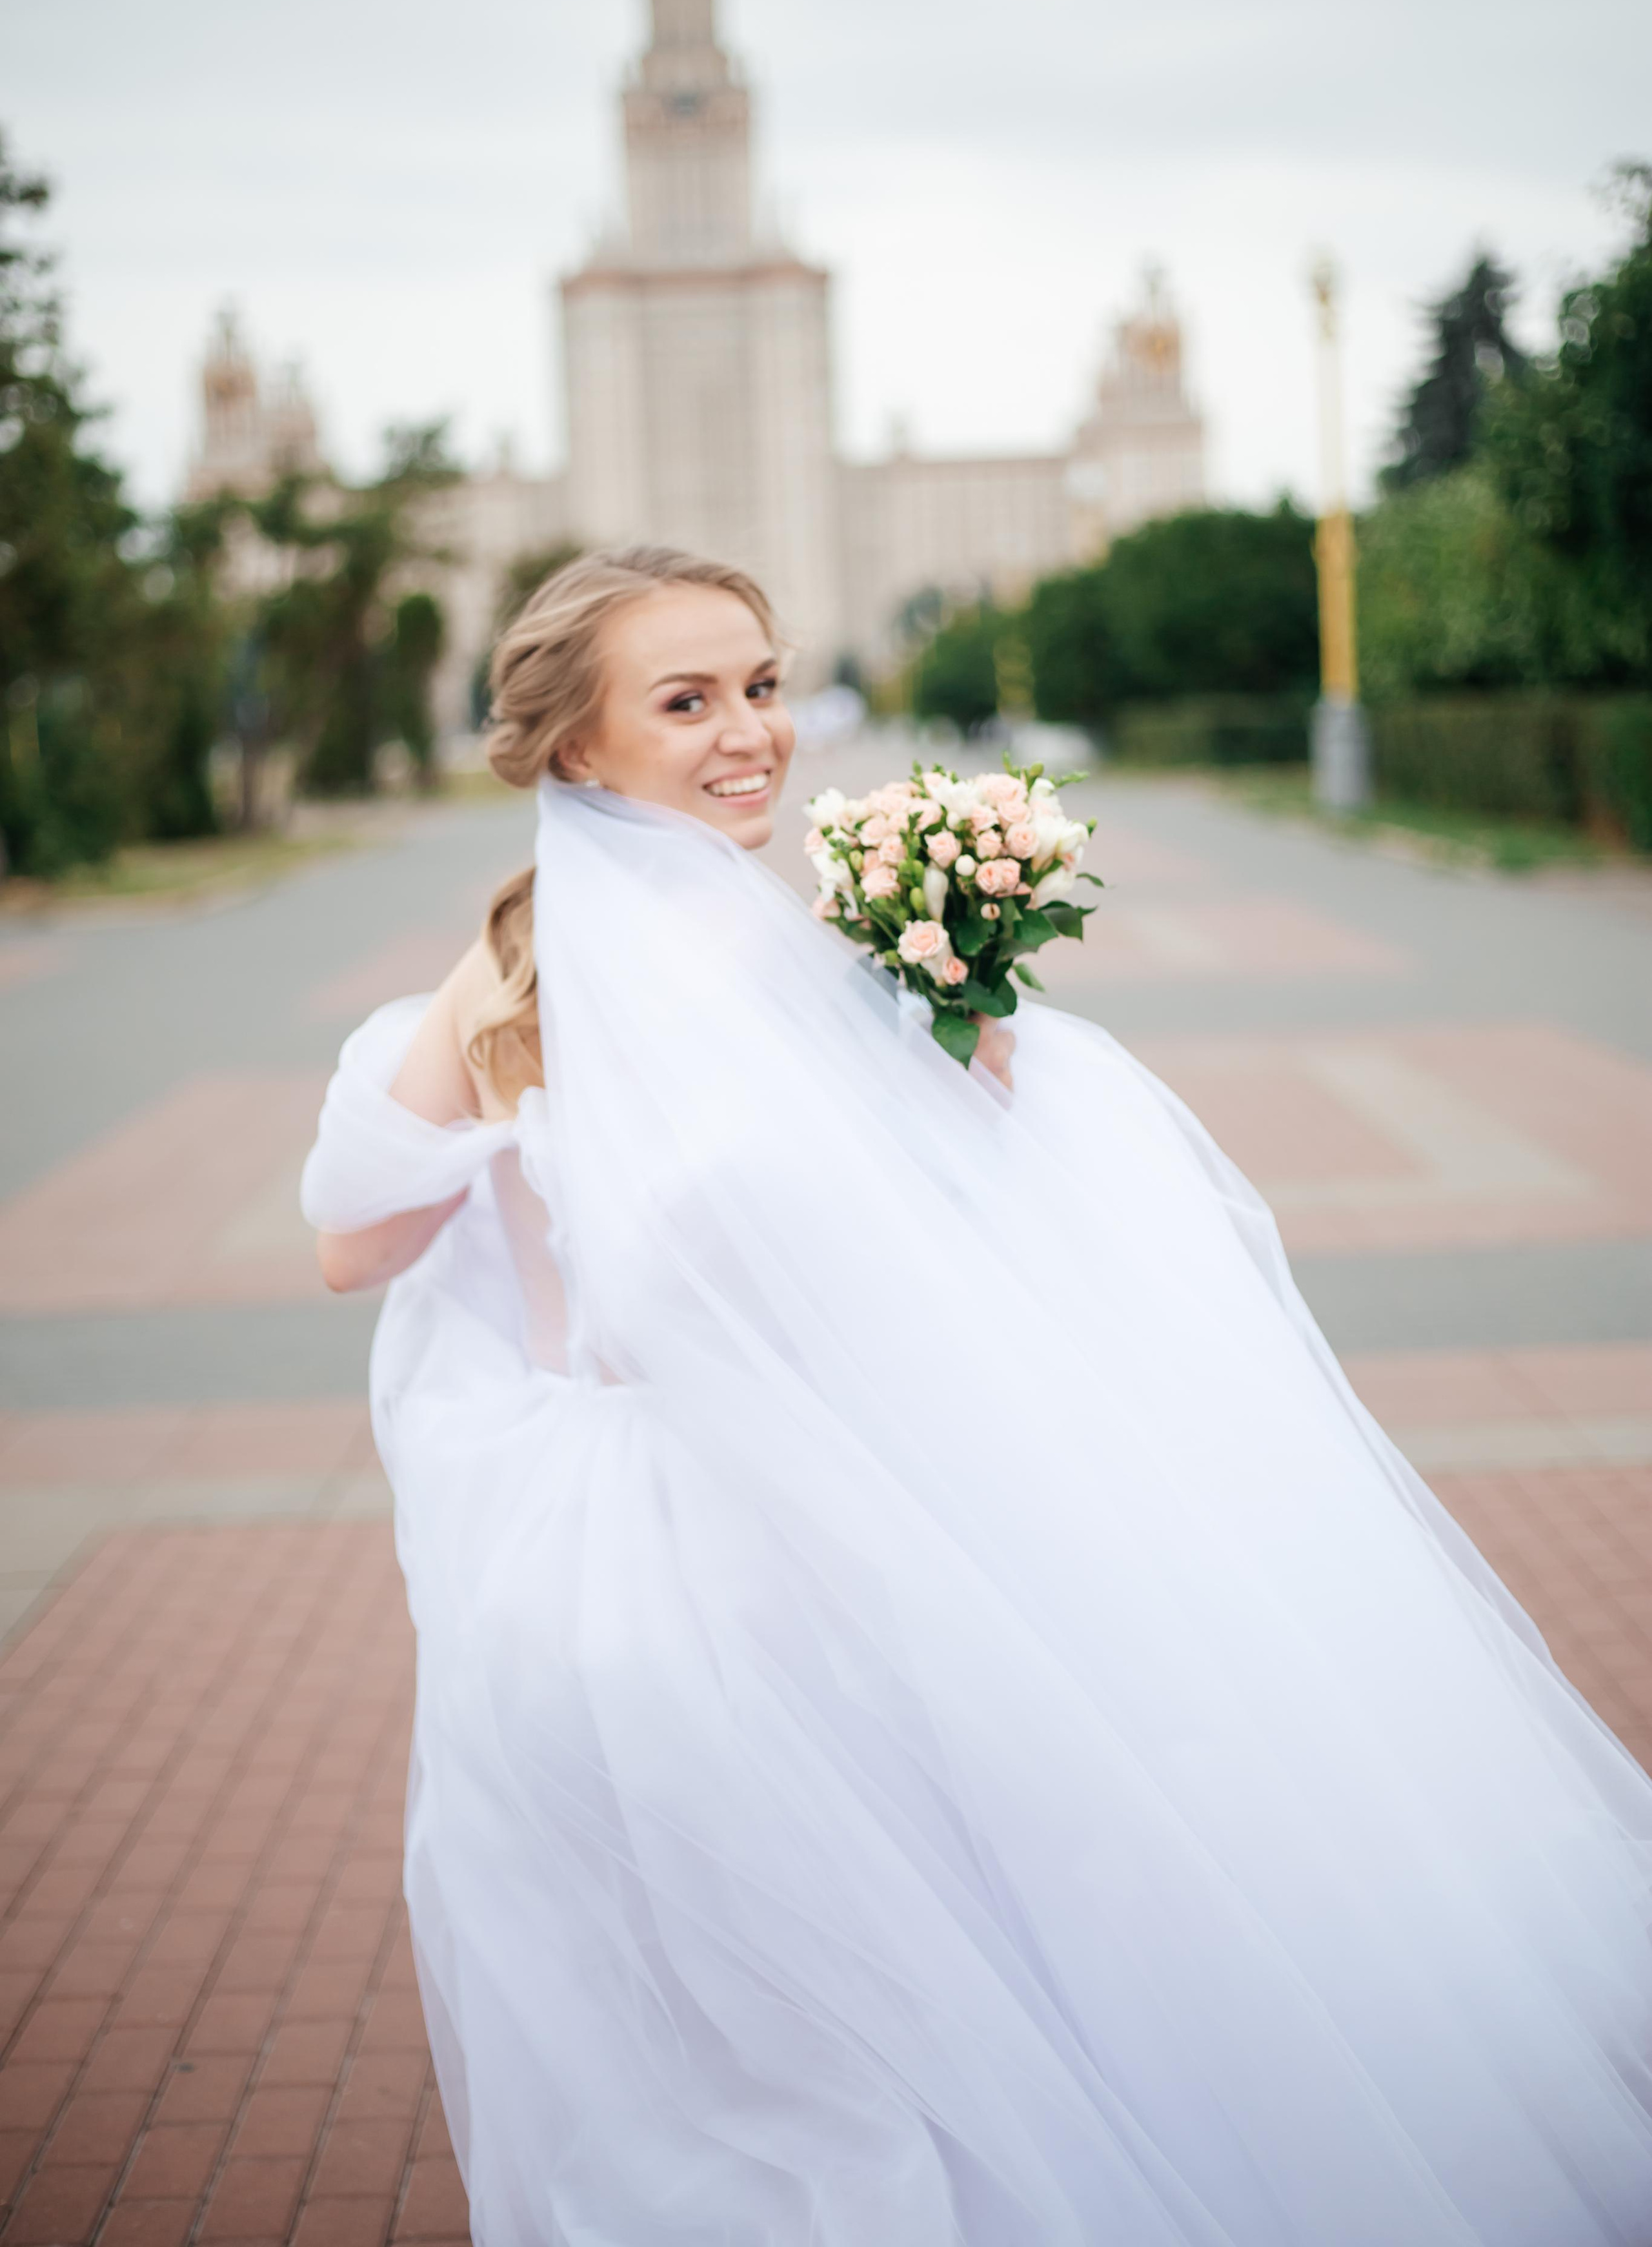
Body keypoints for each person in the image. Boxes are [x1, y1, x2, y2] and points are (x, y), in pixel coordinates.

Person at [301, 545, 1652, 2247]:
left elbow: (395, 1237)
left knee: (767, 2004)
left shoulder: (722, 958)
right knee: (862, 1984)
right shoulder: (559, 980)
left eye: (766, 686)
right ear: (573, 747)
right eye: (689, 700)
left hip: (706, 1548)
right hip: (716, 1561)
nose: (752, 736)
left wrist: (963, 1020)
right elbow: (380, 1244)